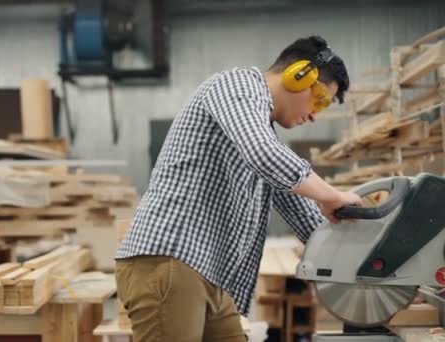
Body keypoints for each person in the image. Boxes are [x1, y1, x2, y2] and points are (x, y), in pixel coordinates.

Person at [115, 35, 363, 341]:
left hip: (208, 275)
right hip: (170, 261)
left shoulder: (261, 132)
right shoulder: (236, 85)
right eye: (319, 100)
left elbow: (306, 217)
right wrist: (334, 195)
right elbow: (264, 154)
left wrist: (362, 270)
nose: (314, 115)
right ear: (298, 76)